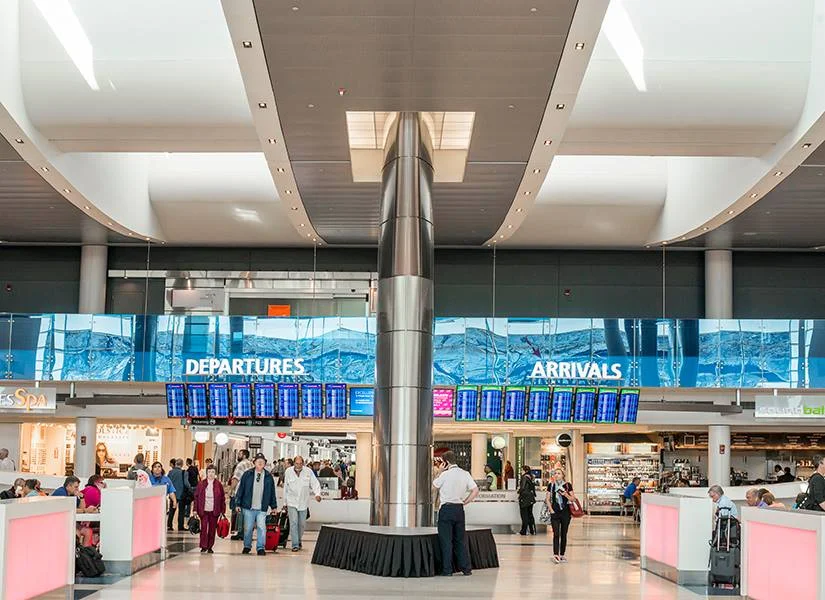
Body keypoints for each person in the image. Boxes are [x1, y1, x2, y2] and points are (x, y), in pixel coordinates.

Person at [432, 450, 479, 577]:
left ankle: (447, 570)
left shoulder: (444, 475)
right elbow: (475, 490)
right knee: (460, 540)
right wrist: (465, 501)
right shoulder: (465, 474)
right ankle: (466, 569)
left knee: (446, 541)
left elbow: (434, 486)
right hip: (459, 509)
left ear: (446, 462)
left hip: (446, 509)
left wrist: (440, 472)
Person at [235, 453, 278, 556]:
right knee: (248, 528)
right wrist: (237, 503)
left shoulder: (268, 476)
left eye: (262, 462)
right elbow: (241, 489)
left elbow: (272, 492)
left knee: (261, 528)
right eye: (258, 461)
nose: (260, 463)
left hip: (262, 508)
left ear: (265, 464)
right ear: (254, 463)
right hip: (248, 507)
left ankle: (260, 547)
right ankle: (247, 546)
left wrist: (274, 506)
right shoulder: (247, 474)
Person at [283, 455, 321, 552]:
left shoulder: (308, 471)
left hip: (303, 502)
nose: (298, 465)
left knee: (302, 524)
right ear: (294, 463)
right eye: (297, 463)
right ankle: (295, 544)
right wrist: (285, 502)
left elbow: (315, 483)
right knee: (293, 523)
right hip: (291, 502)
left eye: (300, 464)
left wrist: (317, 494)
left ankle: (298, 540)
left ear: (303, 463)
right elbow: (286, 488)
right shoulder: (288, 471)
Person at [546, 468, 576, 564]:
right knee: (556, 533)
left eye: (559, 473)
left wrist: (565, 494)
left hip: (565, 513)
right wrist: (551, 510)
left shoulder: (567, 485)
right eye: (555, 473)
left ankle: (562, 554)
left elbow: (573, 499)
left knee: (564, 534)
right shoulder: (551, 485)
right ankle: (556, 554)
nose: (556, 475)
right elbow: (547, 499)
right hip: (555, 512)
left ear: (563, 475)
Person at [194, 465, 226, 553]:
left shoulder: (218, 484)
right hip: (203, 510)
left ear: (215, 473)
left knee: (212, 529)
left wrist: (223, 511)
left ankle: (210, 546)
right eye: (209, 472)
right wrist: (195, 509)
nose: (211, 474)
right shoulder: (201, 484)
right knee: (204, 528)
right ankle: (203, 546)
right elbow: (196, 497)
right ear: (206, 473)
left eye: (213, 472)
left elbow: (222, 498)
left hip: (214, 510)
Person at [231, 450, 254, 540]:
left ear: (244, 456)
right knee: (248, 513)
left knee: (239, 513)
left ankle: (240, 533)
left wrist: (231, 490)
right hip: (250, 492)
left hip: (241, 492)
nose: (238, 455)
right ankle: (247, 533)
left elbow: (236, 479)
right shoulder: (252, 464)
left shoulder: (241, 465)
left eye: (240, 454)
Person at [167, 459, 190, 531]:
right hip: (181, 494)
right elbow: (186, 483)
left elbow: (168, 482)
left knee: (172, 510)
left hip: (172, 493)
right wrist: (190, 487)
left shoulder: (170, 472)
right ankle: (180, 526)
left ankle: (169, 525)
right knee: (181, 511)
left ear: (176, 464)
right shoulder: (184, 472)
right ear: (182, 464)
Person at [517, 465, 536, 535]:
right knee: (530, 514)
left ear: (525, 471)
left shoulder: (524, 477)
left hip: (524, 498)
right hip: (531, 498)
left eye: (522, 470)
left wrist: (519, 491)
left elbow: (522, 487)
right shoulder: (531, 477)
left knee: (524, 515)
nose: (521, 471)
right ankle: (532, 530)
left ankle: (524, 530)